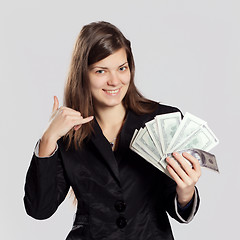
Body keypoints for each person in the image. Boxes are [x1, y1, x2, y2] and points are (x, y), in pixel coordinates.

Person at [24, 21, 201, 240]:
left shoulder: (162, 120)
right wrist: (48, 138)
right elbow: (40, 209)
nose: (114, 81)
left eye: (121, 68)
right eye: (101, 71)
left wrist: (186, 192)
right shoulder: (67, 134)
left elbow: (173, 202)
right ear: (83, 74)